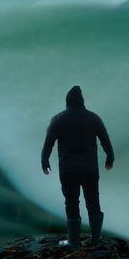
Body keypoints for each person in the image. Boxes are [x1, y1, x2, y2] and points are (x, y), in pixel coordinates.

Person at [41, 85, 114, 247]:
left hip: (68, 170)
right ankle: (95, 240)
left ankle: (74, 241)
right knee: (93, 202)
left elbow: (48, 144)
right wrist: (110, 158)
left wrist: (44, 162)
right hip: (90, 169)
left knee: (71, 202)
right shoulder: (94, 118)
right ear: (82, 101)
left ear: (67, 101)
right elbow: (105, 140)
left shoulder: (58, 119)